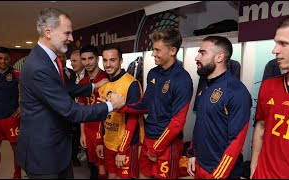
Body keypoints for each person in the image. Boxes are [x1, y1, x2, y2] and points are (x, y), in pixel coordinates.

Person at [16, 7, 125, 179]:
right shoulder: (39, 66)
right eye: (67, 33)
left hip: (57, 148)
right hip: (44, 154)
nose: (71, 38)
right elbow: (71, 110)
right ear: (48, 32)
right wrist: (111, 105)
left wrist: (93, 87)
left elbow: (63, 88)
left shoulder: (48, 59)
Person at [119, 28, 193, 179]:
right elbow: (146, 104)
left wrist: (156, 149)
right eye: (153, 49)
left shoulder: (183, 80)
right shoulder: (153, 73)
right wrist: (121, 107)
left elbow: (177, 123)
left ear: (172, 51)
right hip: (148, 137)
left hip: (167, 144)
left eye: (157, 50)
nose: (153, 53)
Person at [250, 9, 289, 179]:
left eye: (283, 44)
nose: (274, 50)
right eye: (275, 43)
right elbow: (261, 127)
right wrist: (254, 169)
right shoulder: (268, 86)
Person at [186, 36, 252, 179]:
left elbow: (236, 140)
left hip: (220, 172)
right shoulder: (206, 84)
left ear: (219, 57)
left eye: (202, 53)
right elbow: (201, 123)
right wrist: (192, 153)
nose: (197, 57)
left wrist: (219, 174)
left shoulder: (236, 91)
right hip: (200, 165)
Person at [96, 44, 144, 179]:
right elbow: (102, 115)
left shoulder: (131, 84)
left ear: (121, 61)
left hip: (126, 145)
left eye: (112, 60)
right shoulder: (103, 84)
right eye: (105, 60)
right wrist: (99, 141)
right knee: (111, 175)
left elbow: (133, 119)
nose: (108, 64)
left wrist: (122, 149)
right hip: (108, 142)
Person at [77, 45, 108, 179]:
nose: (87, 62)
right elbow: (81, 110)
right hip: (89, 129)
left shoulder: (106, 78)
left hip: (104, 130)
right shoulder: (83, 82)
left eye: (90, 58)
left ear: (97, 59)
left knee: (105, 167)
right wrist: (82, 133)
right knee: (93, 165)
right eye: (84, 59)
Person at [0, 47, 22, 179]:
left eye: (5, 58)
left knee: (16, 149)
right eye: (0, 58)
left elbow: (26, 91)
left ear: (9, 59)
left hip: (12, 117)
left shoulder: (16, 73)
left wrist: (22, 106)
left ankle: (17, 175)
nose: (2, 61)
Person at [69, 49, 87, 167]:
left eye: (74, 61)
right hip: (73, 113)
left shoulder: (89, 77)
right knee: (74, 138)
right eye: (71, 61)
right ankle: (73, 157)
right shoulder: (71, 76)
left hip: (86, 114)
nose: (71, 63)